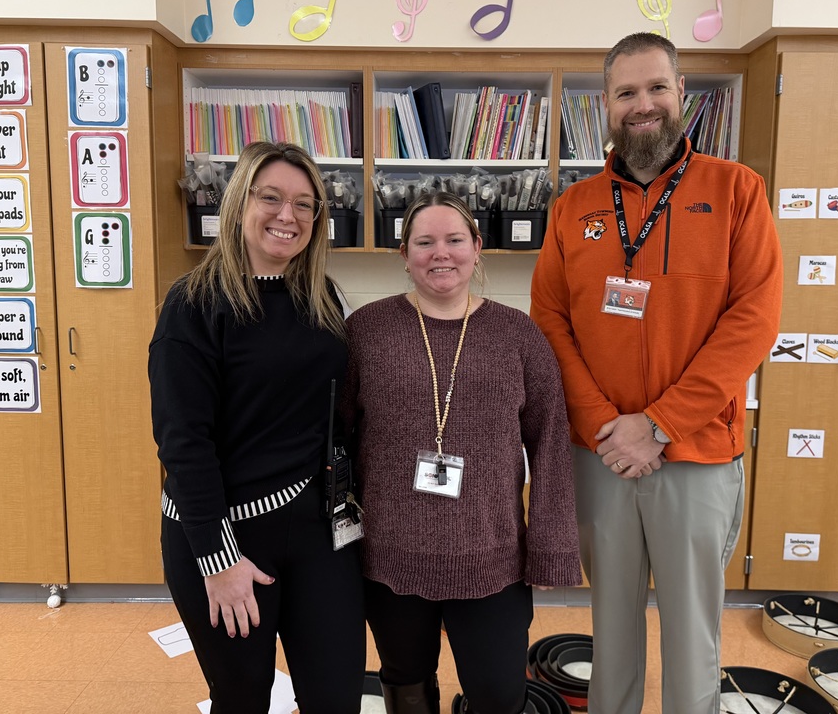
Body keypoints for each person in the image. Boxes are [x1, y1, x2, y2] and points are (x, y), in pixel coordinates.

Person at [530, 33, 783, 714]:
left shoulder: (737, 193)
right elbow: (550, 321)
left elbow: (753, 321)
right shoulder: (571, 208)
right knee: (610, 627)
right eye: (626, 93)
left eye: (656, 88)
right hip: (604, 454)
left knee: (692, 633)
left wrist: (662, 425)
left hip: (696, 456)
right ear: (605, 107)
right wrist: (607, 428)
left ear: (681, 96)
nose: (643, 105)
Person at [343, 192, 582, 714]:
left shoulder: (518, 335)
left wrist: (550, 543)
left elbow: (550, 446)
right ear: (403, 254)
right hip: (390, 555)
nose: (440, 254)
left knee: (498, 693)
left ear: (478, 248)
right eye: (424, 242)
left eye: (454, 240)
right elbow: (337, 440)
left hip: (492, 558)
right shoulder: (366, 330)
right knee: (405, 682)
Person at [149, 141, 365, 713]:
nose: (287, 216)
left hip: (316, 527)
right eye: (270, 197)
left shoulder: (320, 296)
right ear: (239, 202)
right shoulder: (193, 303)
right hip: (226, 534)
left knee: (338, 695)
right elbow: (182, 442)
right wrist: (219, 564)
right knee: (244, 697)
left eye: (304, 203)